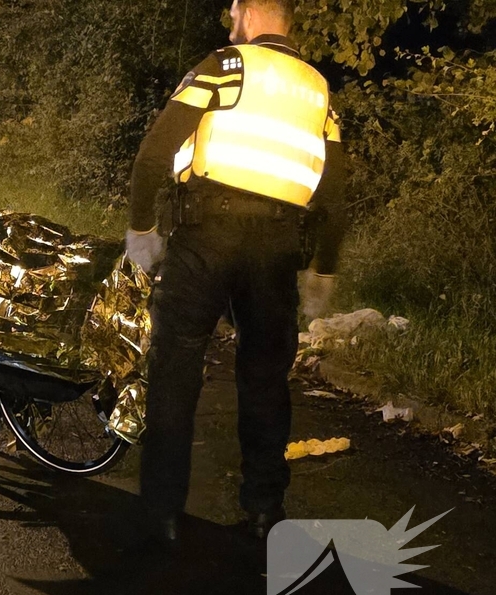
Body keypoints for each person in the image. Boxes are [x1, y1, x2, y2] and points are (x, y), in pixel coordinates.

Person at [126, 0, 348, 542]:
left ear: (248, 11)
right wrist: (323, 270)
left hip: (208, 234)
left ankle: (161, 515)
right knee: (267, 378)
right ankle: (266, 511)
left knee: (177, 366)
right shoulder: (319, 91)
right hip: (277, 248)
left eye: (233, 10)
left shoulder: (227, 67)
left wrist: (143, 230)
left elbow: (155, 152)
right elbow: (338, 197)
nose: (229, 19)